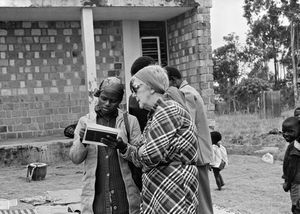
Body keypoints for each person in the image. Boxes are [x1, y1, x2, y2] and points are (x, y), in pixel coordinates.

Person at [102, 65, 199, 213]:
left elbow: (150, 155)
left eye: (136, 88)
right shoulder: (155, 115)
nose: (134, 95)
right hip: (163, 193)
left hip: (173, 192)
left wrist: (142, 150)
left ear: (152, 87)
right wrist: (123, 146)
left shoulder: (168, 109)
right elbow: (143, 157)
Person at [69, 77, 141, 214]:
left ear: (120, 101)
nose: (107, 103)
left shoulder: (130, 122)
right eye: (103, 98)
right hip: (97, 196)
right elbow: (75, 158)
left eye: (113, 101)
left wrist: (123, 147)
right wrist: (82, 141)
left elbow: (140, 157)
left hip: (124, 194)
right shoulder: (85, 122)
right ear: (98, 96)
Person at [164, 66, 214, 214]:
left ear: (172, 80)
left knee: (201, 203)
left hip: (195, 155)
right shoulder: (190, 91)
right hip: (198, 154)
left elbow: (186, 124)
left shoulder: (185, 94)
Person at [282, 117, 300, 214]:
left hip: (297, 183)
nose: (286, 134)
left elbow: (292, 168)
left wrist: (287, 183)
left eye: (290, 131)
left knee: (296, 208)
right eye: (283, 132)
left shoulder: (295, 147)